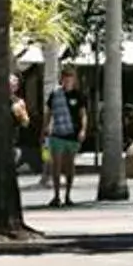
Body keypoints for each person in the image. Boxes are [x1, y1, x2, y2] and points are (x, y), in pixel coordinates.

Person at [43, 75, 83, 207]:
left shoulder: (78, 95)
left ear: (74, 81)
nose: (67, 82)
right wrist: (46, 127)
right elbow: (48, 113)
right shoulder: (55, 94)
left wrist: (83, 130)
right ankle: (56, 196)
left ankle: (68, 195)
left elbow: (83, 114)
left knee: (70, 165)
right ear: (62, 80)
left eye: (70, 80)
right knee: (57, 165)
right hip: (57, 134)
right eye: (65, 80)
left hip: (72, 134)